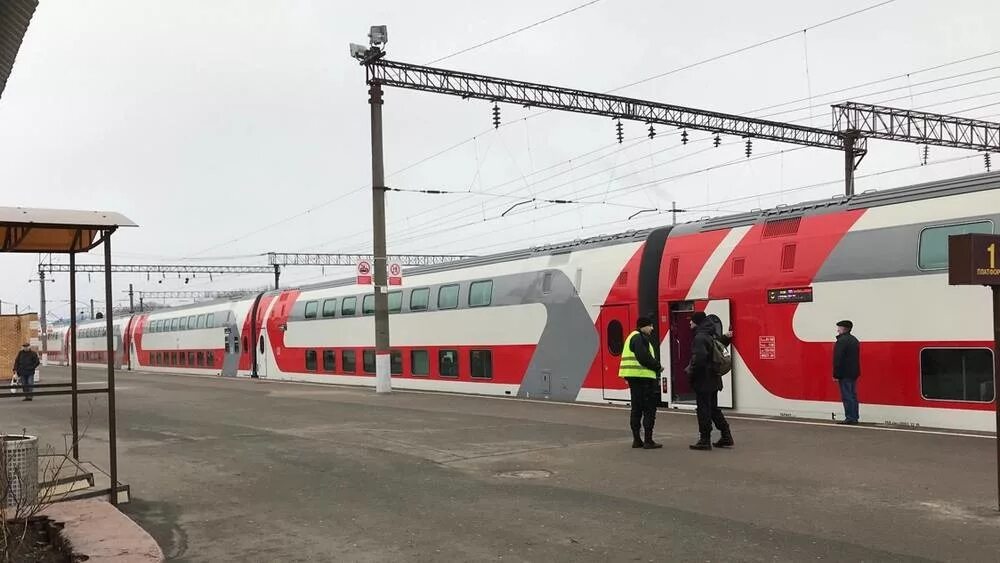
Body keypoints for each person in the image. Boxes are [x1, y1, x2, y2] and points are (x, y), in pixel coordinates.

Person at [687, 312, 734, 450]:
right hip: (714, 378)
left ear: (697, 322)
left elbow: (700, 359)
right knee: (713, 408)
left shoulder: (700, 337)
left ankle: (704, 440)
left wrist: (691, 373)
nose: (690, 323)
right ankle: (726, 435)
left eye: (692, 321)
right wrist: (726, 337)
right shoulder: (711, 334)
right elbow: (718, 346)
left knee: (703, 409)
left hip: (703, 379)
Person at [619, 316, 664, 449]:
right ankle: (648, 440)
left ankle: (637, 440)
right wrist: (657, 366)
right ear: (643, 326)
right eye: (650, 326)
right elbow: (643, 357)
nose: (652, 328)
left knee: (636, 409)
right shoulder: (640, 338)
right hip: (643, 378)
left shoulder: (632, 337)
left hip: (634, 378)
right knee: (649, 409)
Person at [833, 320, 860, 424]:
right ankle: (854, 416)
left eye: (839, 328)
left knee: (847, 396)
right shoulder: (854, 340)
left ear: (843, 329)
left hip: (844, 373)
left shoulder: (841, 341)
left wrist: (836, 374)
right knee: (852, 395)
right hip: (853, 372)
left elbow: (838, 359)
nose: (837, 330)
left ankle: (850, 418)